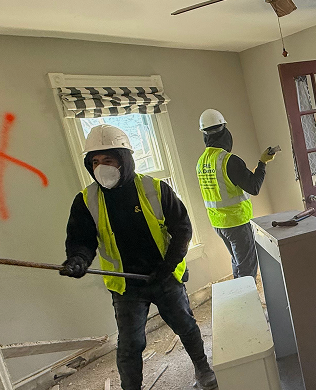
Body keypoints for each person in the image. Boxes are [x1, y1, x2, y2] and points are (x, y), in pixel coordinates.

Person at [61, 124, 218, 390]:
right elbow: (81, 240)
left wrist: (169, 265)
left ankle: (203, 369)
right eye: (95, 161)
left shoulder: (154, 188)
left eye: (108, 160)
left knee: (186, 326)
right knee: (130, 344)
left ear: (124, 159)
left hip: (163, 276)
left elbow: (181, 229)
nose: (101, 167)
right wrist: (78, 259)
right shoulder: (86, 201)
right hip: (126, 286)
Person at [196, 109, 276, 278]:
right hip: (237, 223)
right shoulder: (228, 160)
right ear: (224, 131)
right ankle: (246, 302)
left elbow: (227, 185)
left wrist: (250, 174)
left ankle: (239, 297)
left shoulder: (202, 162)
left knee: (237, 262)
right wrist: (262, 163)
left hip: (218, 223)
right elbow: (254, 187)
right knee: (247, 268)